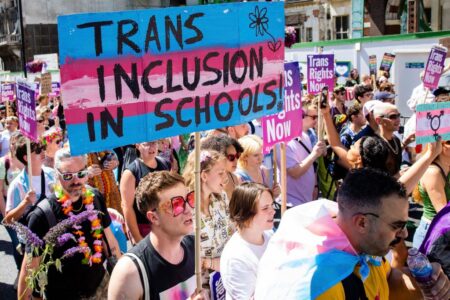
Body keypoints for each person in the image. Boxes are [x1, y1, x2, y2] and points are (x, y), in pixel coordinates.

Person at [255, 168, 450, 300]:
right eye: (397, 225)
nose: (404, 233)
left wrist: (427, 284)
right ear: (362, 222)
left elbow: (388, 280)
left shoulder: (360, 240)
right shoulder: (321, 287)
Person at [18, 146, 121, 299]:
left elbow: (110, 242)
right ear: (56, 174)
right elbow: (29, 271)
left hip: (101, 288)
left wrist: (119, 275)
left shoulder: (95, 197)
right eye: (67, 176)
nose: (76, 181)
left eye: (81, 173)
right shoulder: (42, 215)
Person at [108, 171, 205, 300]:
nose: (188, 209)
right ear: (154, 217)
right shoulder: (130, 272)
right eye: (176, 204)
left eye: (189, 199)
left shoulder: (194, 246)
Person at [183, 150, 234, 294]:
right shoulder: (185, 208)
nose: (226, 178)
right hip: (200, 287)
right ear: (204, 175)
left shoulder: (221, 198)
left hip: (225, 278)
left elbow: (232, 233)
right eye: (220, 173)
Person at [220, 182, 275, 299]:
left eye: (272, 205)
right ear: (245, 215)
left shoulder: (270, 236)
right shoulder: (235, 258)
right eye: (265, 208)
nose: (273, 211)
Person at [120, 140, 171, 244]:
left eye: (154, 143)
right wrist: (137, 238)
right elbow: (127, 207)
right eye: (147, 144)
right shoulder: (131, 172)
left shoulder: (165, 164)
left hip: (165, 224)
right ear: (138, 145)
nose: (152, 147)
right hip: (144, 228)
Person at [277, 99, 326, 206]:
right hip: (291, 202)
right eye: (313, 117)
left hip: (307, 199)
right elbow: (294, 172)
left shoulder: (305, 136)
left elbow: (311, 165)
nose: (316, 120)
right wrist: (314, 154)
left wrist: (315, 186)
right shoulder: (283, 142)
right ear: (300, 116)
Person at [4, 136, 55, 224]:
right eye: (38, 151)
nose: (43, 152)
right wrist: (25, 203)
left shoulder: (51, 173)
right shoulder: (17, 184)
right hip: (32, 236)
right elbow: (8, 220)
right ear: (26, 158)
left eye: (43, 148)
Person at [412, 140, 450, 248]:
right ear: (439, 146)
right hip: (432, 234)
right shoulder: (433, 172)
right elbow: (444, 213)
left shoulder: (448, 167)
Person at [201, 135, 243, 201]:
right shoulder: (209, 185)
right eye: (231, 157)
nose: (236, 160)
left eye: (237, 156)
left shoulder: (235, 178)